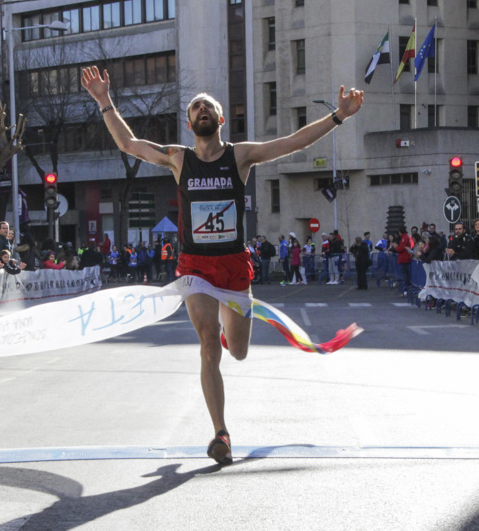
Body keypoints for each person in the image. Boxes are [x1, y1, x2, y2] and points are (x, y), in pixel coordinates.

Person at [82, 64, 363, 465]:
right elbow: (129, 145)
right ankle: (221, 434)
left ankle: (234, 334)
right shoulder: (178, 159)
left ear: (219, 119)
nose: (200, 110)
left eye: (207, 106)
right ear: (189, 121)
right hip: (195, 267)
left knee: (240, 352)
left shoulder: (241, 156)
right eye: (195, 107)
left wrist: (338, 116)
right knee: (208, 345)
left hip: (233, 266)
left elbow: (292, 142)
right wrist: (104, 101)